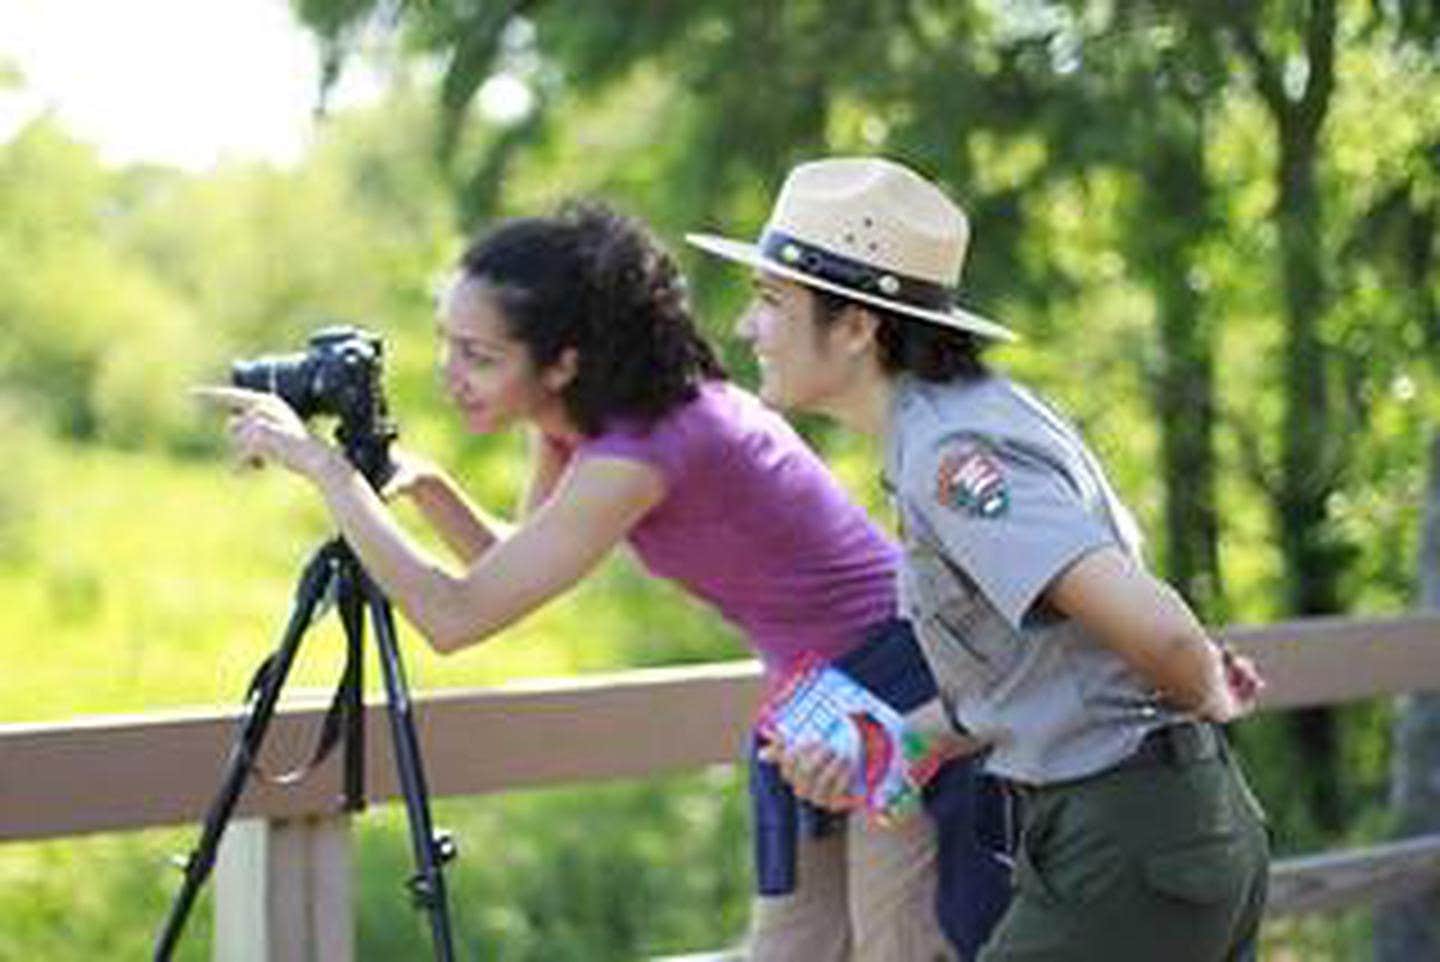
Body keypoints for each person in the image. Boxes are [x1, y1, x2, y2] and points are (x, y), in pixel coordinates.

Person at [196, 201, 1010, 960]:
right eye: (446, 343)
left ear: (563, 363)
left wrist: (326, 473)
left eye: (479, 356)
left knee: (897, 944)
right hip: (813, 702)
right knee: (795, 948)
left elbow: (455, 616)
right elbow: (505, 566)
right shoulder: (582, 430)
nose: (451, 374)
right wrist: (431, 486)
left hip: (897, 685)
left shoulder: (647, 448)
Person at [687, 157, 1270, 962]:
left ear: (857, 327)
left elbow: (1162, 636)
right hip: (1131, 832)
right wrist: (880, 744)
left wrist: (1207, 687)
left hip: (1128, 840)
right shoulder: (953, 427)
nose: (749, 327)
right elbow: (1031, 685)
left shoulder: (953, 458)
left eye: (771, 301)